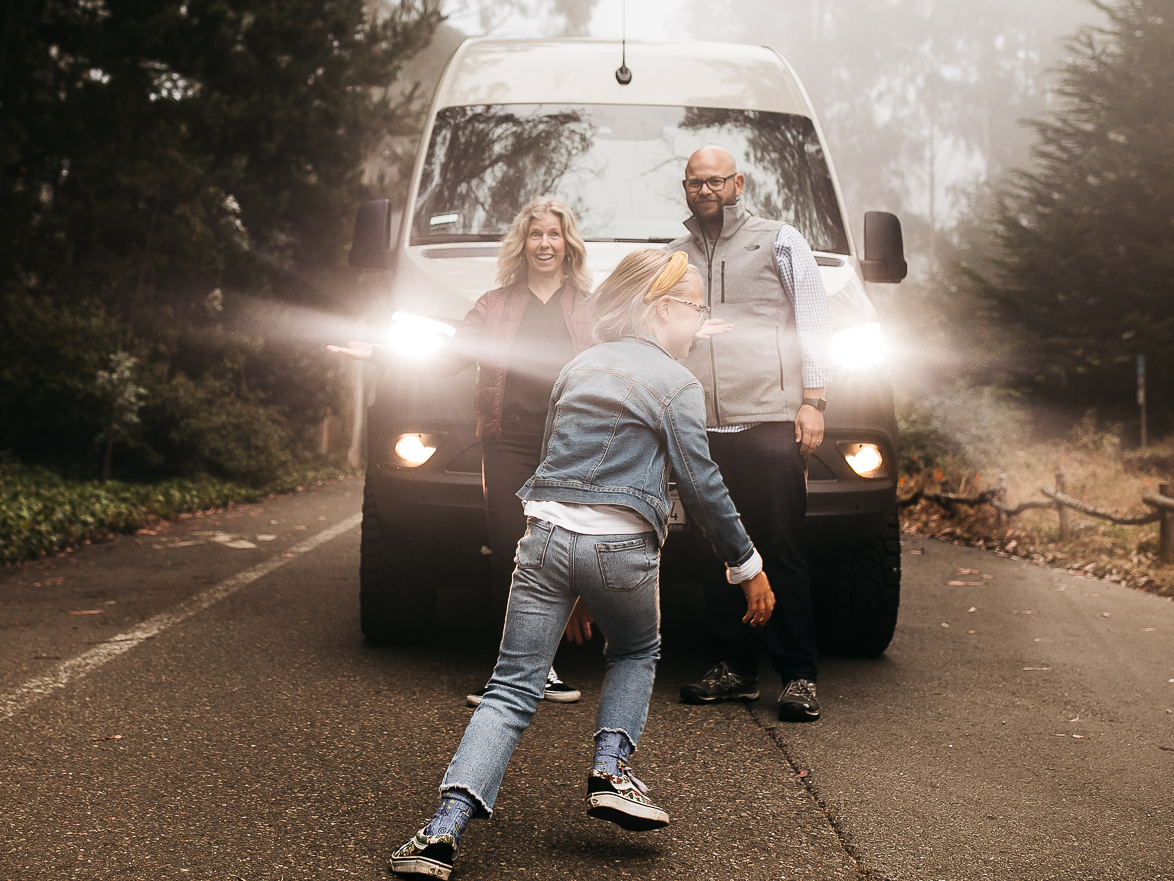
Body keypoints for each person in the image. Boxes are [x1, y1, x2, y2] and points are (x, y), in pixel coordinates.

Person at [388, 250, 774, 880]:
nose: (701, 321)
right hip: (621, 549)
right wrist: (746, 563)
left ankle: (440, 832)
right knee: (636, 651)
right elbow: (702, 486)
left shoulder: (579, 365)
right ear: (663, 308)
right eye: (696, 308)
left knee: (510, 688)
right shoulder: (677, 383)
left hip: (543, 541)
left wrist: (570, 585)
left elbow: (552, 460)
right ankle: (611, 772)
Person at [335, 196, 597, 705]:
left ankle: (543, 666)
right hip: (507, 442)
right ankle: (514, 674)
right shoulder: (494, 305)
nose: (545, 244)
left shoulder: (590, 307)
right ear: (522, 244)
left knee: (559, 553)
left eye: (554, 234)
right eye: (535, 234)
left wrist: (685, 338)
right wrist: (384, 353)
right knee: (511, 551)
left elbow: (626, 355)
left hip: (570, 443)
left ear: (568, 244)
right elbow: (451, 356)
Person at [666, 145, 835, 723]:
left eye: (716, 181)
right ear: (685, 188)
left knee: (780, 547)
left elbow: (813, 320)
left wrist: (813, 401)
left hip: (769, 420)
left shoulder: (779, 240)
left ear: (738, 184)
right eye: (696, 182)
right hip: (700, 426)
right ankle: (734, 668)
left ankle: (799, 674)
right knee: (716, 549)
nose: (706, 190)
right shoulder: (673, 256)